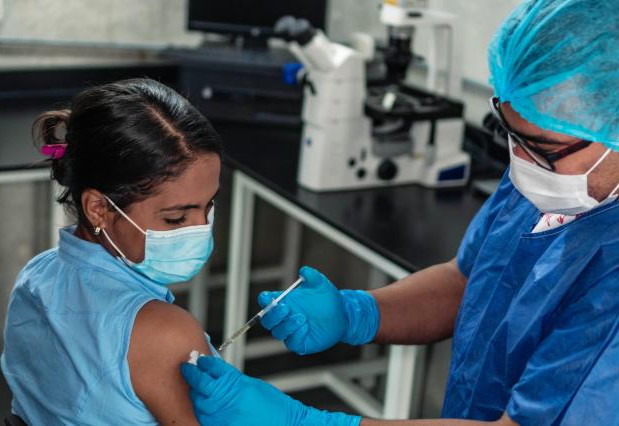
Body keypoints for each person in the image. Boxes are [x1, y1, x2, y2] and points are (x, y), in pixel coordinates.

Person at [180, 0, 619, 425]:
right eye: (511, 136)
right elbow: (468, 280)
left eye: (541, 149)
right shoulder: (551, 180)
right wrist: (358, 313)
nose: (521, 163)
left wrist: (302, 421)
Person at [1, 78, 222, 425]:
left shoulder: (35, 276)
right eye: (177, 217)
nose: (200, 229)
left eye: (209, 206)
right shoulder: (165, 333)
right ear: (99, 209)